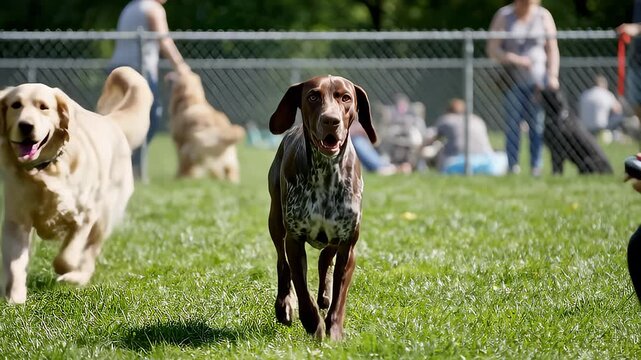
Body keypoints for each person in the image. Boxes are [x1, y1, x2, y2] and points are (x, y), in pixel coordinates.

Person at [110, 0, 190, 180]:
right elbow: (164, 40)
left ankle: (119, 166)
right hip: (139, 70)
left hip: (117, 70)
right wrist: (180, 67)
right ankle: (134, 167)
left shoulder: (131, 6)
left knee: (118, 119)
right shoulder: (153, 9)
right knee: (151, 117)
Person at [486, 0, 560, 177]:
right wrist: (514, 59)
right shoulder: (504, 15)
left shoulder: (543, 16)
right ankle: (513, 167)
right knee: (513, 125)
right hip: (512, 81)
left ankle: (536, 167)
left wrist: (552, 75)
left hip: (538, 82)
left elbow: (552, 49)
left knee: (537, 125)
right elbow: (492, 49)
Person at [426, 98, 507, 175]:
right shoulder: (477, 119)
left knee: (440, 146)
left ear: (448, 110)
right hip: (488, 164)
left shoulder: (446, 119)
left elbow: (430, 137)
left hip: (457, 163)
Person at [578, 75, 623, 140]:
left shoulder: (584, 94)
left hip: (585, 126)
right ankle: (615, 135)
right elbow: (618, 109)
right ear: (604, 84)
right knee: (619, 116)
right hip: (601, 126)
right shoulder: (606, 94)